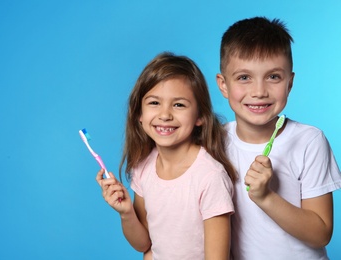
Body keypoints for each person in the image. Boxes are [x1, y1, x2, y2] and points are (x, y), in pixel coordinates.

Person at [216, 16, 341, 259]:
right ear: (223, 85)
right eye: (244, 77)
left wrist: (266, 197)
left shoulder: (309, 141)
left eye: (273, 77)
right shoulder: (215, 142)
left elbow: (321, 233)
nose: (259, 91)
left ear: (290, 83)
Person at [96, 52, 236, 259]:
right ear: (139, 115)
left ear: (199, 117)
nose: (165, 115)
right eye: (154, 103)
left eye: (179, 104)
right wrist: (126, 213)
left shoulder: (210, 177)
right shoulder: (143, 167)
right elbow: (143, 244)